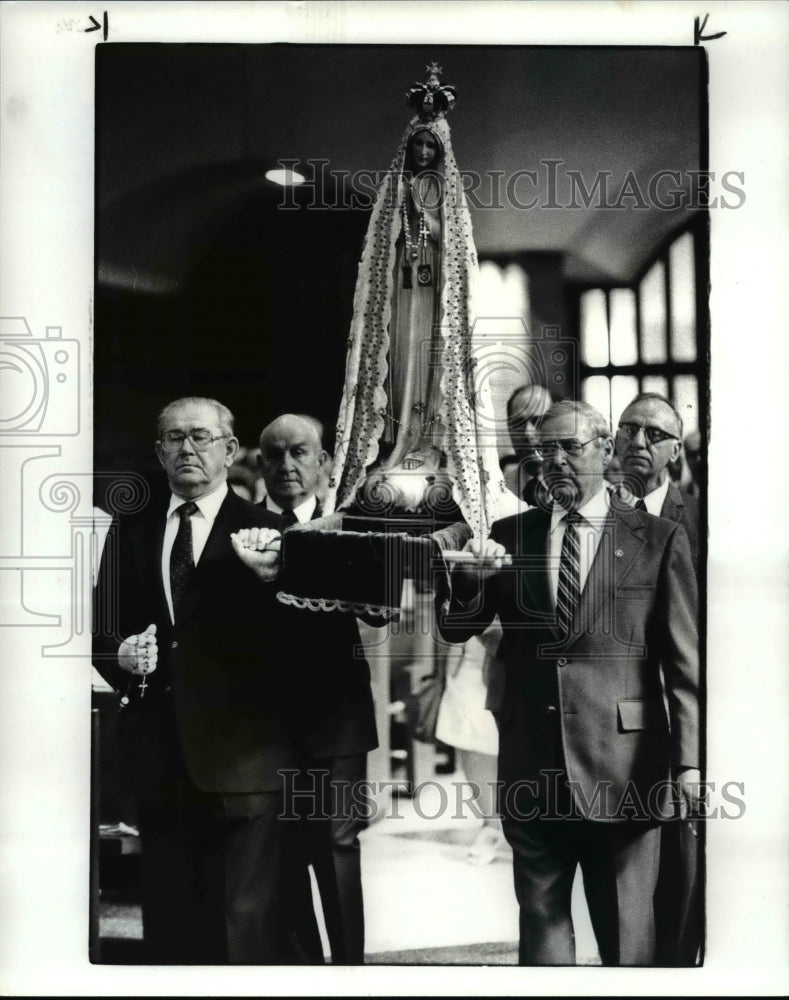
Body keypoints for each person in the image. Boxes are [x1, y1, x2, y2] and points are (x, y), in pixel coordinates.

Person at [438, 400, 700, 966]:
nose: (553, 462)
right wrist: (470, 581)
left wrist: (690, 765)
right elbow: (457, 626)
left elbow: (682, 668)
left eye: (569, 448)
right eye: (542, 452)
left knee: (628, 942)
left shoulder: (657, 539)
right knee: (543, 935)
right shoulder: (510, 536)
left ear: (605, 451)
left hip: (626, 766)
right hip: (532, 762)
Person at [92, 397, 301, 963]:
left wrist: (270, 584)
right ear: (158, 450)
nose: (187, 448)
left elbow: (302, 644)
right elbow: (102, 629)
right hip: (159, 749)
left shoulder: (270, 531)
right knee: (167, 913)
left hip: (247, 752)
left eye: (201, 437)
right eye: (174, 437)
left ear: (230, 450)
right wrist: (122, 656)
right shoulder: (131, 529)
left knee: (244, 919)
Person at [325, 63, 504, 538]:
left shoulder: (446, 191)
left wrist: (428, 213)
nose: (424, 152)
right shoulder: (393, 189)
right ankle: (396, 447)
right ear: (408, 148)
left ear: (442, 152)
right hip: (402, 295)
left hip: (434, 297)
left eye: (432, 146)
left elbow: (457, 252)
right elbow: (381, 250)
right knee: (401, 365)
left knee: (430, 369)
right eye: (419, 144)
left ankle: (428, 445)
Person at [233, 413, 381, 964]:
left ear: (323, 462)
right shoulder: (240, 527)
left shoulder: (351, 525)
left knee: (339, 847)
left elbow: (380, 608)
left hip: (337, 718)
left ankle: (349, 970)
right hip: (264, 722)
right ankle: (303, 972)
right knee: (284, 855)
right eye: (274, 454)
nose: (287, 466)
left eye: (300, 453)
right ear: (259, 462)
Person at [615, 392, 700, 572]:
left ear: (675, 451)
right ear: (616, 440)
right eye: (630, 430)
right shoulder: (593, 513)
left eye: (654, 434)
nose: (638, 443)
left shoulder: (698, 518)